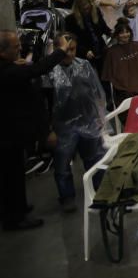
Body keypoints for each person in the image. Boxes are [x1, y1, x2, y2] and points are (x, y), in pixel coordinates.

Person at [1, 30, 67, 230]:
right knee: (10, 175)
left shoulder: (9, 67)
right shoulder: (7, 71)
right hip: (7, 135)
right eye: (15, 47)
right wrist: (60, 51)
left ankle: (18, 207)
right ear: (3, 52)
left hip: (13, 132)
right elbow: (37, 69)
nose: (20, 48)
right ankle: (15, 217)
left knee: (15, 173)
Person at [42, 33, 107, 214]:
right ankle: (67, 197)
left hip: (88, 121)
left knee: (94, 158)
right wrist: (48, 130)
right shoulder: (50, 72)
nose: (69, 54)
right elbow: (46, 104)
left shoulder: (84, 66)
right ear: (56, 49)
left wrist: (101, 116)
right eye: (65, 50)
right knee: (62, 164)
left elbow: (97, 93)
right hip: (63, 126)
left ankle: (100, 188)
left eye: (73, 49)